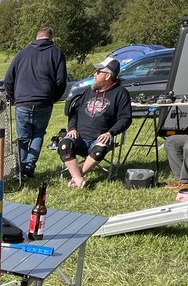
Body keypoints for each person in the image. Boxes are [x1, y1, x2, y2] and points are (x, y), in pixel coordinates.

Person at [55, 58, 132, 189]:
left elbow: (125, 118)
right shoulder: (88, 92)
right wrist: (72, 128)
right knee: (64, 145)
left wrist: (110, 132)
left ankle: (76, 177)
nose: (94, 75)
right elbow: (74, 112)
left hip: (99, 139)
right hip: (78, 138)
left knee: (100, 148)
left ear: (107, 76)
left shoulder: (120, 93)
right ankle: (79, 180)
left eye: (98, 72)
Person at [4, 26, 68, 178]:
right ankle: (29, 166)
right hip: (44, 101)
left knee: (23, 137)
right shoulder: (57, 53)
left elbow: (8, 79)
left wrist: (14, 98)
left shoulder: (22, 54)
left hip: (23, 102)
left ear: (37, 37)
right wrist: (53, 98)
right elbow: (61, 81)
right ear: (51, 38)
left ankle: (20, 168)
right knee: (38, 134)